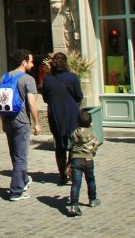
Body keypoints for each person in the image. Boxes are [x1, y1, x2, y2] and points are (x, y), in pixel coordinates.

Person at [0, 50, 40, 201]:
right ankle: (16, 191)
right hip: (21, 120)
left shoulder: (3, 77)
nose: (32, 64)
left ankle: (22, 181)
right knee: (21, 157)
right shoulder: (27, 79)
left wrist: (3, 121)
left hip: (7, 120)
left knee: (15, 155)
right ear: (23, 62)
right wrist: (37, 123)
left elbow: (0, 101)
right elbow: (32, 103)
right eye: (30, 61)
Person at [40, 52, 84, 185]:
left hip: (55, 113)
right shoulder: (73, 78)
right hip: (71, 113)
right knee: (74, 144)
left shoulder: (47, 79)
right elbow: (79, 96)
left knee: (60, 145)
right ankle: (69, 169)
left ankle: (62, 175)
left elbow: (46, 98)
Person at [66, 109, 100, 217]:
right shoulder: (93, 134)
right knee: (90, 180)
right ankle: (92, 200)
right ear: (90, 123)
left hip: (76, 160)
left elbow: (71, 146)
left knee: (76, 184)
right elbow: (95, 146)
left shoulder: (74, 133)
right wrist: (92, 154)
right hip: (89, 160)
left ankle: (74, 205)